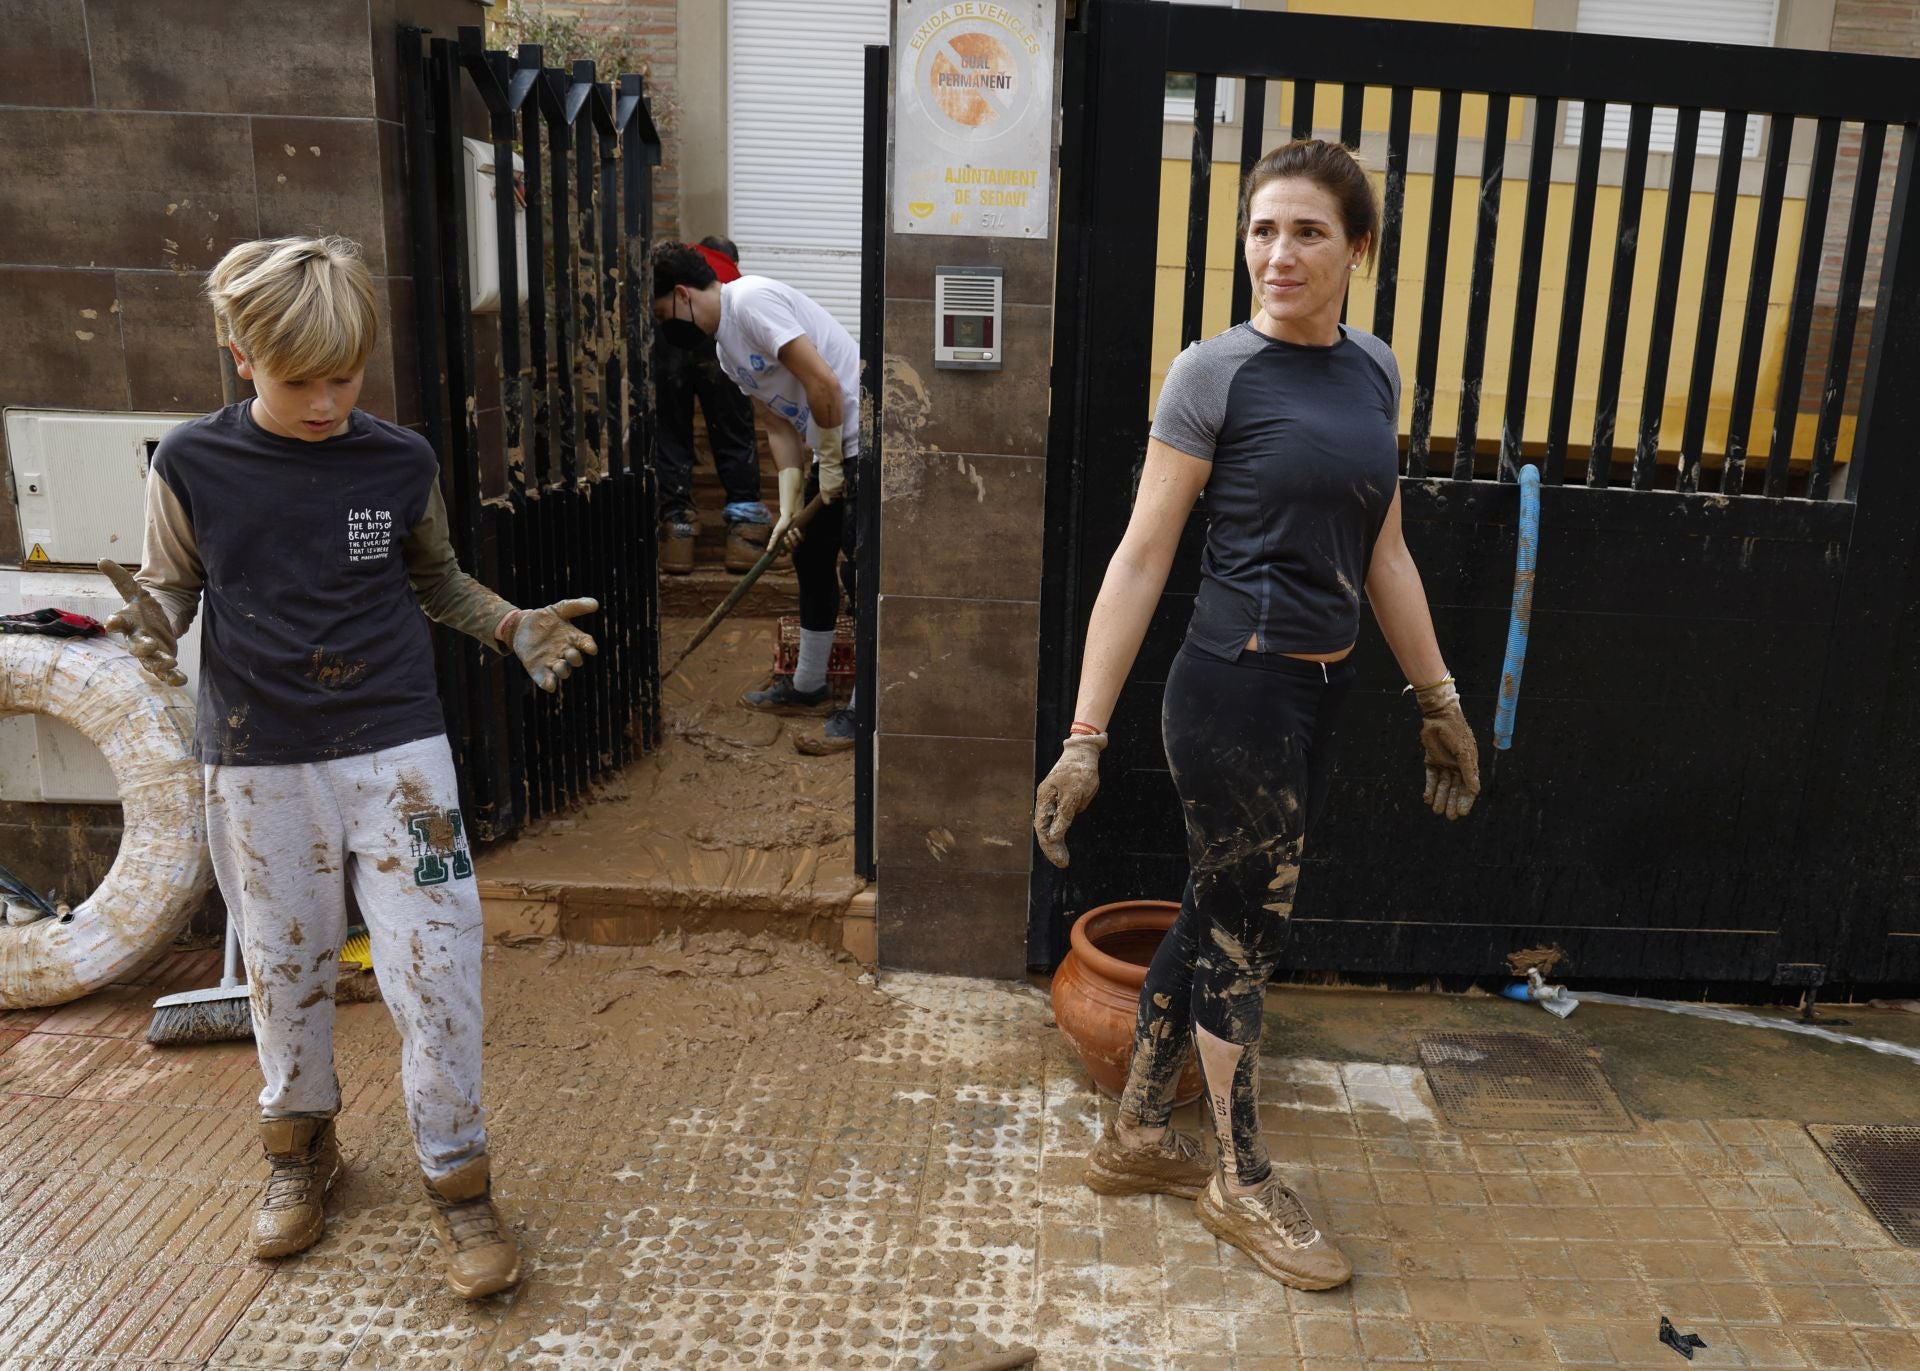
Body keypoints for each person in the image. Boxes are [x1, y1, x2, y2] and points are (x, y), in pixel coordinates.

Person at [102, 234, 600, 1300]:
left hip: (398, 754)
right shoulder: (189, 464)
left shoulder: (400, 461)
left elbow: (441, 581)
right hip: (258, 758)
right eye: (299, 381)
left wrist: (512, 626)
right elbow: (172, 593)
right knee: (285, 967)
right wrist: (147, 622)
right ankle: (300, 1157)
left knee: (439, 962)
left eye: (345, 376)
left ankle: (459, 1182)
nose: (327, 402)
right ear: (240, 353)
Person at [1031, 141, 1480, 1292]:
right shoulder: (1212, 375)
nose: (1278, 255)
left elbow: (1383, 552)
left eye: (1308, 233)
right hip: (1231, 690)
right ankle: (1238, 1179)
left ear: (1359, 249)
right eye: (1262, 231)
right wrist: (1086, 734)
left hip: (1318, 692)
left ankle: (1136, 1139)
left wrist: (1439, 699)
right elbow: (1140, 560)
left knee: (1219, 904)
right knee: (1246, 936)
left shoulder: (1375, 372)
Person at [651, 242, 860, 754]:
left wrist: (832, 462)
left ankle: (865, 711)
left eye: (662, 313)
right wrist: (790, 501)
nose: (665, 326)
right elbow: (778, 422)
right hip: (831, 447)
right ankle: (807, 686)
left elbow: (824, 382)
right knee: (810, 555)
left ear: (681, 294)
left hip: (862, 443)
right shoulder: (724, 349)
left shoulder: (751, 301)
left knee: (862, 571)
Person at [653, 235, 777, 575]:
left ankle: (676, 528)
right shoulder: (727, 278)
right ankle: (745, 533)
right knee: (732, 428)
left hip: (667, 339)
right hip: (715, 338)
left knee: (671, 430)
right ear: (732, 258)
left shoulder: (682, 266)